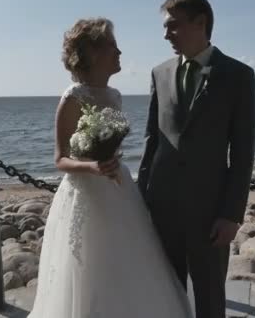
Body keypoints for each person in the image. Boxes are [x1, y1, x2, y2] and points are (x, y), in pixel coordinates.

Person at [28, 17, 192, 318]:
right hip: (86, 193)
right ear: (93, 53)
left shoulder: (115, 95)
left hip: (119, 188)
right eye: (113, 47)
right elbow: (60, 159)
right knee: (90, 268)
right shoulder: (72, 97)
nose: (119, 53)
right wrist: (93, 166)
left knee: (128, 261)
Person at [137, 0, 255, 318]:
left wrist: (232, 214)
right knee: (167, 291)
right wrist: (140, 199)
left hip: (210, 210)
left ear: (200, 22)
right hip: (162, 205)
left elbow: (244, 152)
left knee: (210, 295)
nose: (166, 35)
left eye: (173, 26)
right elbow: (152, 141)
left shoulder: (238, 75)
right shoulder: (159, 73)